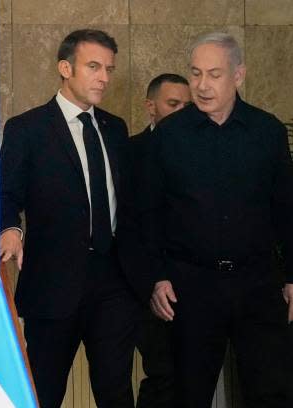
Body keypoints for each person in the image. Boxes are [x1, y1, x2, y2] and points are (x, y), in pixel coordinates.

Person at [135, 32, 293, 408]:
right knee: (187, 392)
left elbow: (288, 208)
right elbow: (148, 212)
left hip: (257, 283)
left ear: (239, 75)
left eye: (214, 74)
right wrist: (156, 276)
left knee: (269, 390)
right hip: (190, 285)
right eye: (195, 73)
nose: (201, 85)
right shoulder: (169, 135)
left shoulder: (267, 131)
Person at [0, 29, 138, 408]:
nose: (104, 78)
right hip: (52, 283)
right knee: (44, 391)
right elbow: (5, 193)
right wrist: (10, 229)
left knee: (116, 389)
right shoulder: (27, 129)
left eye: (109, 68)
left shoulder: (115, 128)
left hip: (113, 281)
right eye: (93, 67)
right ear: (65, 68)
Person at [131, 73, 191, 408]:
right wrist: (152, 279)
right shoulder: (130, 151)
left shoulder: (204, 152)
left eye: (188, 105)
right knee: (162, 373)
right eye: (173, 104)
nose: (183, 111)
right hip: (149, 285)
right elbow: (130, 224)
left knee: (190, 375)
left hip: (197, 283)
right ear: (150, 107)